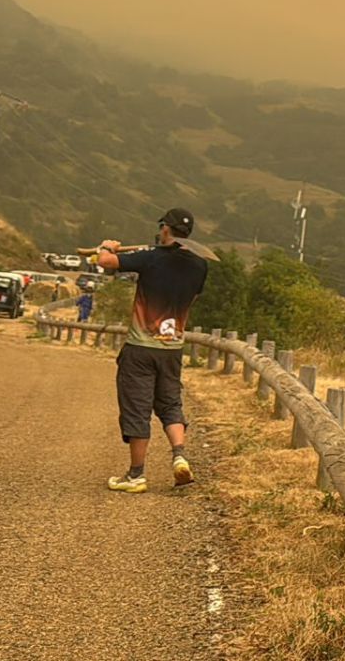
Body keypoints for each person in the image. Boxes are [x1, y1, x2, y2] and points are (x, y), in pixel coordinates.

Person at [92, 208, 208, 493]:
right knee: (170, 403)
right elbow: (192, 299)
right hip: (172, 347)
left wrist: (107, 246)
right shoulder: (200, 266)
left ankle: (136, 475)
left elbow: (105, 261)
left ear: (166, 229)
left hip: (141, 348)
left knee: (137, 409)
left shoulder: (150, 257)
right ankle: (179, 455)